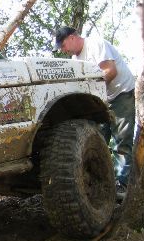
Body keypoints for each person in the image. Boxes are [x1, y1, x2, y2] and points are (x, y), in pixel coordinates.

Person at [54, 26, 136, 197]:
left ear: (72, 37)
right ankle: (101, 183)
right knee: (97, 139)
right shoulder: (76, 59)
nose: (63, 50)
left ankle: (123, 184)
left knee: (122, 139)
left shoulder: (95, 44)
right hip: (101, 99)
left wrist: (90, 91)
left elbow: (110, 71)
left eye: (63, 45)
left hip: (121, 93)